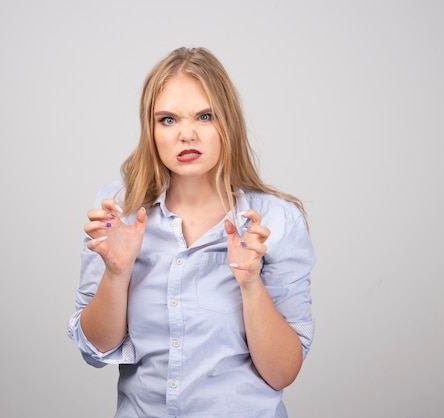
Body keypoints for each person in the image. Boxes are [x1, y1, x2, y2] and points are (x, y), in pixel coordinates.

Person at [66, 46, 315, 418]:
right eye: (167, 120)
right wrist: (116, 273)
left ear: (227, 122)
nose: (186, 134)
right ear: (150, 130)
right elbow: (95, 351)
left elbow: (282, 373)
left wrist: (250, 283)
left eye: (204, 116)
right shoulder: (119, 211)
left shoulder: (275, 221)